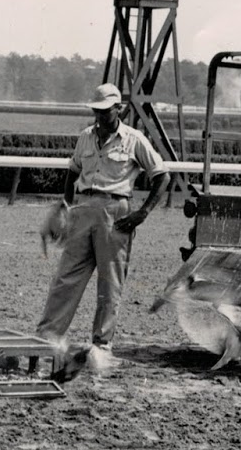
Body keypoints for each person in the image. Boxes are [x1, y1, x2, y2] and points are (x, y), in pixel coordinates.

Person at [36, 82, 168, 380]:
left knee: (110, 286)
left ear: (118, 109)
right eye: (96, 111)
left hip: (116, 213)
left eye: (105, 112)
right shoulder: (85, 137)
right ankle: (48, 338)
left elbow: (162, 175)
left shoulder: (134, 140)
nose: (99, 117)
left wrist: (142, 213)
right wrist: (65, 208)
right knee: (66, 278)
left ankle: (101, 347)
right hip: (82, 212)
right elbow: (71, 174)